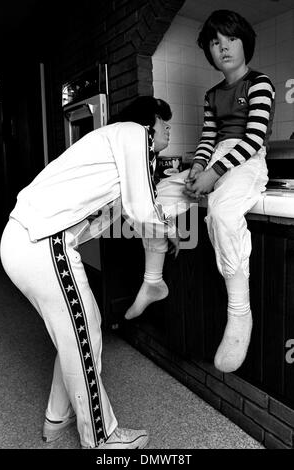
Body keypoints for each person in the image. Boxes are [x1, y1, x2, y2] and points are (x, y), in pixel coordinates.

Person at [0, 96, 178, 449]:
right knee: (83, 337)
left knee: (80, 334)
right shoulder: (135, 133)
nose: (169, 129)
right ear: (151, 121)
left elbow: (133, 207)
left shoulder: (116, 143)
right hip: (44, 241)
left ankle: (57, 417)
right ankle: (103, 439)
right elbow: (142, 209)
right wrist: (166, 230)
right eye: (166, 123)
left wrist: (160, 225)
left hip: (30, 240)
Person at [184, 10, 275, 373]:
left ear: (244, 42)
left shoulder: (260, 83)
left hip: (246, 160)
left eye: (230, 39)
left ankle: (239, 313)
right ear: (209, 52)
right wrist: (195, 169)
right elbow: (207, 140)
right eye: (215, 43)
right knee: (163, 198)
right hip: (216, 160)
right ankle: (153, 279)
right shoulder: (211, 94)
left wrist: (213, 175)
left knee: (221, 214)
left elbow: (253, 138)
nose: (223, 48)